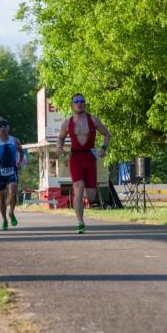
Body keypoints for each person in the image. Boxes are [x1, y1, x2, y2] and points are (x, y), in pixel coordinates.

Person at [57, 93, 111, 234]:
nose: (79, 103)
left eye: (81, 101)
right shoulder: (67, 123)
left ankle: (81, 198)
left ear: (85, 104)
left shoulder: (93, 119)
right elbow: (61, 138)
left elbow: (107, 134)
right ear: (72, 105)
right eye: (76, 101)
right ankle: (80, 222)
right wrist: (59, 147)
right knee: (78, 187)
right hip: (76, 158)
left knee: (91, 196)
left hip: (90, 157)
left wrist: (103, 148)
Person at [0, 118, 24, 230]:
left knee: (13, 192)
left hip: (12, 170)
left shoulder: (15, 140)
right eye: (0, 127)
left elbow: (21, 151)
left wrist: (19, 162)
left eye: (5, 126)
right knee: (1, 198)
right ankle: (4, 220)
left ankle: (11, 212)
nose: (3, 128)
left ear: (8, 128)